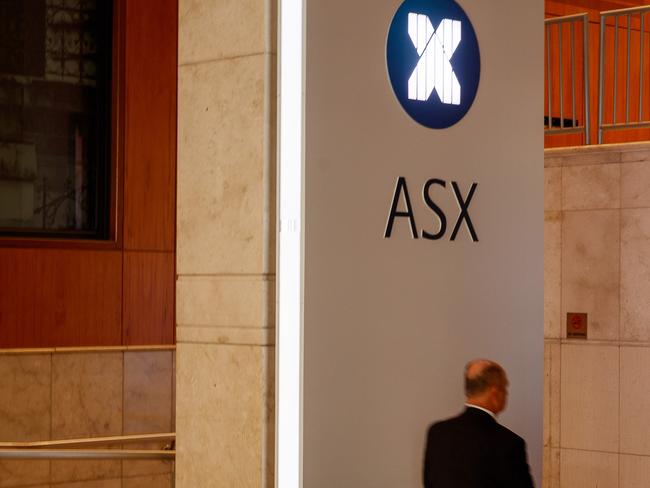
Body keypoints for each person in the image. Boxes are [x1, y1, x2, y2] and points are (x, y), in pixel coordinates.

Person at [422, 359, 534, 488]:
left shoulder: (437, 433)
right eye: (505, 388)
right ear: (495, 393)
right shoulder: (509, 444)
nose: (506, 394)